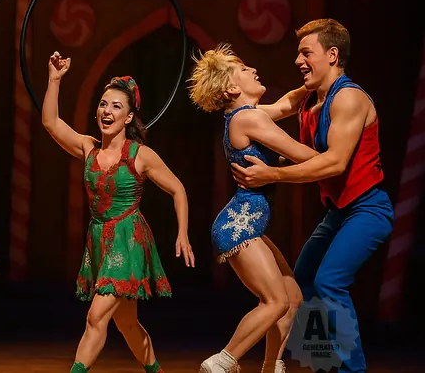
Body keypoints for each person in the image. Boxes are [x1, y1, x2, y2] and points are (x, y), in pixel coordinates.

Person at [231, 19, 394, 373]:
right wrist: (225, 100)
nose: (298, 61)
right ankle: (325, 365)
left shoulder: (348, 98)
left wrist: (272, 174)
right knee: (299, 285)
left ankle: (352, 370)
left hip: (367, 210)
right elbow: (253, 111)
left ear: (332, 55)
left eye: (306, 53)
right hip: (338, 213)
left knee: (329, 282)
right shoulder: (306, 98)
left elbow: (334, 164)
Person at [43, 52, 193, 373]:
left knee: (96, 317)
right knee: (126, 323)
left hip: (128, 239)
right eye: (103, 104)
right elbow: (50, 123)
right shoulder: (88, 147)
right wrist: (54, 80)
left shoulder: (141, 155)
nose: (106, 110)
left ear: (128, 118)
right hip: (99, 239)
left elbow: (178, 189)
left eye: (116, 106)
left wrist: (182, 233)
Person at [188, 44, 319, 373]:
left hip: (248, 224)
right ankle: (222, 362)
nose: (253, 71)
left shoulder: (248, 116)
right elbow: (305, 157)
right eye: (244, 69)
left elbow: (288, 104)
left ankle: (270, 366)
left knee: (291, 300)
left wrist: (318, 81)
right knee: (275, 301)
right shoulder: (248, 119)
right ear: (233, 88)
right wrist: (335, 158)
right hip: (239, 225)